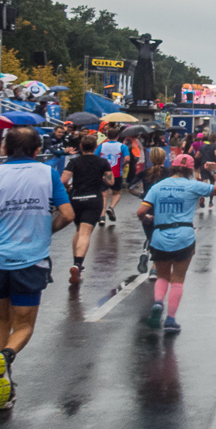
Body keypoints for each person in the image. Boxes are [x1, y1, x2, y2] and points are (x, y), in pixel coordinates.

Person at [0, 128, 74, 410]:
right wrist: (46, 232)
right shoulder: (47, 173)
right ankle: (6, 356)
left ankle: (4, 387)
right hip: (31, 260)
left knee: (2, 322)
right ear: (35, 150)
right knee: (23, 326)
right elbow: (67, 214)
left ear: (5, 149)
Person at [137, 154, 216, 333]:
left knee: (162, 276)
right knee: (177, 279)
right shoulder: (193, 185)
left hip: (160, 235)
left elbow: (141, 211)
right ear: (189, 170)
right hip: (184, 236)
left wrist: (147, 218)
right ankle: (170, 320)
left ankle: (157, 303)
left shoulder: (158, 186)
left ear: (173, 166)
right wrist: (214, 171)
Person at [61, 133, 114, 284]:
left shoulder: (74, 161)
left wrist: (67, 186)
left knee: (78, 230)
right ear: (96, 147)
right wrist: (103, 177)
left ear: (80, 146)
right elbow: (111, 182)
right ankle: (78, 264)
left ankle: (75, 262)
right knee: (85, 233)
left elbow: (63, 180)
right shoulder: (102, 162)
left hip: (76, 198)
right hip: (93, 199)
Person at [98, 126, 131, 222]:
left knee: (104, 195)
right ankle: (111, 207)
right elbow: (127, 159)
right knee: (117, 193)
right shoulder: (122, 146)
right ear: (118, 136)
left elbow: (95, 157)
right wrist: (122, 165)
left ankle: (102, 216)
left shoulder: (101, 145)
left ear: (107, 135)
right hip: (116, 173)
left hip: (104, 174)